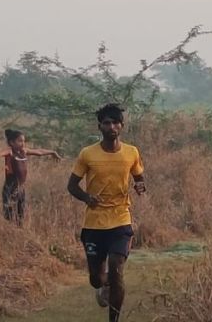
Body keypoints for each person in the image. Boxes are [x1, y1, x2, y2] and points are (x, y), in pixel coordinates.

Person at [67, 103, 146, 322]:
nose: (111, 126)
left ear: (122, 126)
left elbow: (138, 177)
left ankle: (114, 319)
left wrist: (140, 185)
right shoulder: (88, 154)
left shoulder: (131, 152)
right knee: (96, 278)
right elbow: (72, 186)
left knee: (116, 268)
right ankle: (103, 285)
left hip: (121, 218)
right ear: (99, 126)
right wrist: (86, 198)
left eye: (115, 122)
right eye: (106, 123)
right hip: (94, 223)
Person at [0, 129, 61, 223]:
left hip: (21, 189)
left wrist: (52, 152)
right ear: (11, 142)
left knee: (20, 216)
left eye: (24, 141)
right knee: (9, 217)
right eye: (20, 141)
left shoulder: (24, 151)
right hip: (10, 188)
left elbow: (39, 152)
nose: (23, 143)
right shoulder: (10, 152)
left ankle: (18, 232)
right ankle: (8, 233)